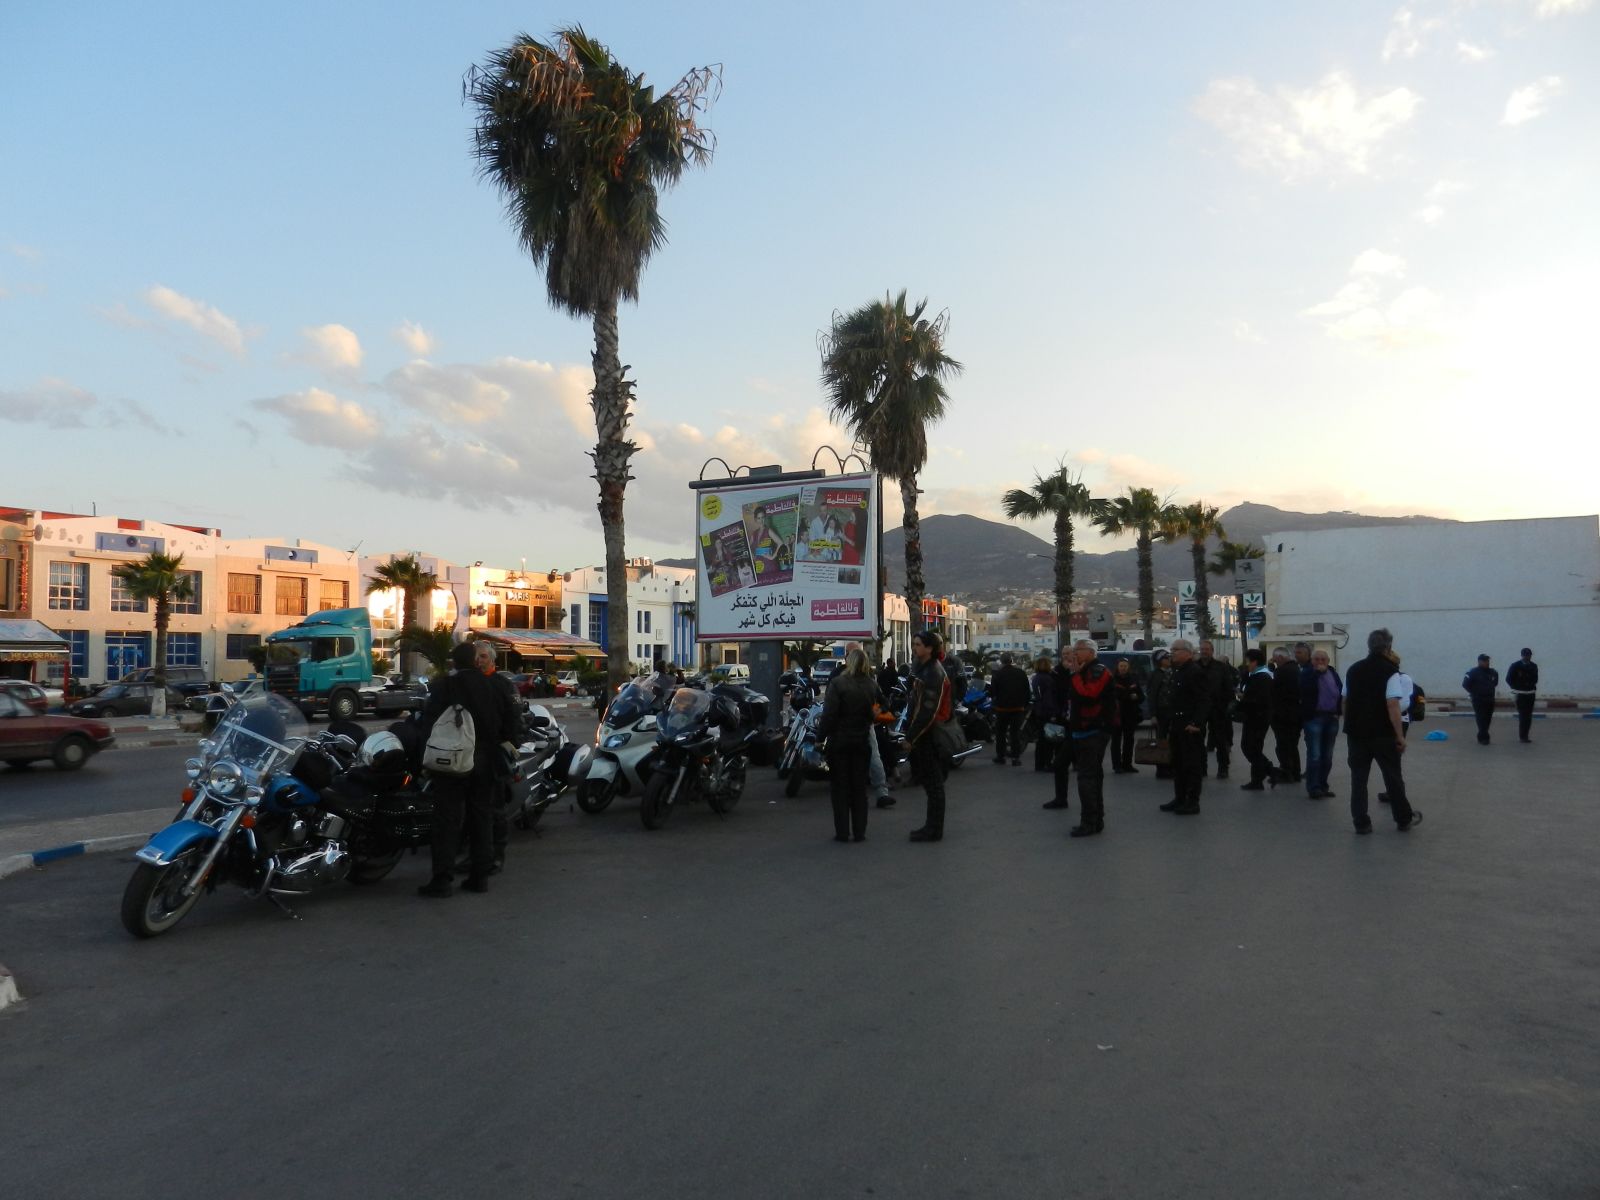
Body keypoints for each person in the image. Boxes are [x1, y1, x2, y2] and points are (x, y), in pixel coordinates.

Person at [418, 641, 518, 898]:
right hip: (484, 761)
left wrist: (424, 758)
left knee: (447, 820)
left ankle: (442, 880)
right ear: (474, 661)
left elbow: (429, 724)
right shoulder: (495, 685)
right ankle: (479, 877)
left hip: (450, 763)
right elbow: (511, 721)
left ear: (454, 661)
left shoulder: (444, 686)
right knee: (481, 818)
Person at [1344, 629, 1421, 834]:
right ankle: (1403, 818)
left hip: (1357, 734)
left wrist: (1350, 723)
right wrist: (1400, 736)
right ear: (1388, 647)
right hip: (1383, 734)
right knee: (1392, 776)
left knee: (1358, 779)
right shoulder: (1390, 671)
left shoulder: (1353, 669)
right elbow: (1392, 704)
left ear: (1369, 646)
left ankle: (1361, 822)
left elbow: (1345, 700)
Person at [472, 639, 524, 875]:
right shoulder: (468, 683)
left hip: (494, 754)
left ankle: (497, 856)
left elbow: (514, 717)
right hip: (471, 753)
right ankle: (477, 855)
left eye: (483, 656)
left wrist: (508, 745)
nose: (479, 661)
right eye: (476, 657)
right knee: (474, 810)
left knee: (495, 808)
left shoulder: (503, 685)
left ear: (493, 660)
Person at [815, 648, 878, 842]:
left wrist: (820, 737)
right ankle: (860, 832)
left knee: (840, 788)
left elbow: (829, 714)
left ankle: (842, 832)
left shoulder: (838, 683)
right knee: (859, 788)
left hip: (839, 741)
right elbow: (883, 705)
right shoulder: (871, 684)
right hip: (861, 740)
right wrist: (870, 717)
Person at [1062, 641, 1117, 838]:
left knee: (1087, 777)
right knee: (1092, 776)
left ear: (1091, 652)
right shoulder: (1085, 672)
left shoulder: (1098, 671)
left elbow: (1089, 695)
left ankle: (1089, 822)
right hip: (1083, 730)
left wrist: (1075, 675)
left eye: (1078, 650)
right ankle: (1096, 819)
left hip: (1093, 731)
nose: (1074, 654)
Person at [903, 630, 951, 842]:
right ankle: (932, 827)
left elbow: (927, 711)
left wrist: (911, 737)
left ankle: (933, 830)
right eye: (914, 644)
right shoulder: (924, 669)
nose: (915, 648)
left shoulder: (933, 672)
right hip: (926, 733)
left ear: (930, 648)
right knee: (932, 784)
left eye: (918, 644)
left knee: (934, 784)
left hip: (930, 734)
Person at [1159, 639, 1211, 815]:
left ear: (1188, 652)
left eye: (1176, 649)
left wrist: (1197, 723)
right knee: (1178, 763)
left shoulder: (1195, 672)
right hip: (1177, 723)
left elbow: (1203, 700)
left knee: (1191, 765)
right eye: (1172, 649)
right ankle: (1180, 797)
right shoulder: (1178, 671)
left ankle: (1192, 801)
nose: (1172, 653)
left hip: (1189, 725)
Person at [845, 640, 892, 806]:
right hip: (850, 726)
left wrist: (878, 711)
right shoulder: (841, 678)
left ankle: (880, 792)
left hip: (859, 726)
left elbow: (884, 702)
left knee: (873, 757)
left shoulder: (867, 681)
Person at [1301, 649, 1343, 800]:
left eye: (1323, 659)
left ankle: (1323, 785)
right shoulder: (1307, 673)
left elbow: (1340, 691)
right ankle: (1314, 787)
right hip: (1315, 718)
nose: (1320, 662)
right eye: (1316, 659)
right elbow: (1304, 689)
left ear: (1328, 661)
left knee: (1327, 755)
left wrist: (1339, 712)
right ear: (1311, 661)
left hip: (1331, 717)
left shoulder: (1333, 673)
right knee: (1315, 754)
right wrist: (1317, 673)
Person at [1377, 652, 1415, 805]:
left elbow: (1404, 703)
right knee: (1388, 758)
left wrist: (1388, 711)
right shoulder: (1384, 677)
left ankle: (1396, 792)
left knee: (1393, 758)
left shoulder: (1403, 679)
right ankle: (1392, 790)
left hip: (1399, 721)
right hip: (1385, 720)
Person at [1042, 648, 1077, 810]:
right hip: (1063, 717)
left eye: (1069, 653)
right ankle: (1061, 798)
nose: (1066, 656)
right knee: (1060, 759)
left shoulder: (1078, 672)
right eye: (1064, 654)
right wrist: (1054, 713)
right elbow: (1052, 694)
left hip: (1079, 722)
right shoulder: (1056, 673)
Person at [1236, 648, 1276, 790]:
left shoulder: (1262, 677)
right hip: (1255, 717)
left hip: (1257, 718)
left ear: (1254, 662)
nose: (1246, 664)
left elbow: (1259, 699)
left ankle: (1268, 772)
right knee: (1253, 748)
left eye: (1247, 661)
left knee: (1250, 747)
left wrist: (1243, 699)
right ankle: (1259, 778)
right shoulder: (1255, 676)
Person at [1197, 641, 1237, 779]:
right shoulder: (1194, 666)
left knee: (1221, 740)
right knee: (1198, 740)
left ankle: (1223, 768)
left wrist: (1225, 705)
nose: (1204, 651)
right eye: (1202, 649)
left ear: (1212, 651)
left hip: (1217, 708)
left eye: (1207, 649)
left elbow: (1228, 687)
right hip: (1199, 709)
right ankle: (1201, 768)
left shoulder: (1221, 667)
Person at [987, 652, 1031, 767]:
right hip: (1017, 709)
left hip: (1002, 710)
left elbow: (992, 692)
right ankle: (1015, 758)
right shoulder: (1021, 673)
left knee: (1000, 733)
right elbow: (1027, 691)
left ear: (1001, 662)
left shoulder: (997, 674)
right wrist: (1024, 705)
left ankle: (1000, 756)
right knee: (1015, 734)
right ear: (1011, 661)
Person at [1269, 647, 1302, 783]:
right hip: (1296, 713)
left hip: (1282, 715)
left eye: (1275, 659)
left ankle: (1286, 772)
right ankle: (1295, 772)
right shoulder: (1297, 670)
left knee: (1283, 745)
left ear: (1281, 657)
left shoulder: (1282, 671)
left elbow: (1274, 691)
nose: (1275, 662)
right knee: (1292, 745)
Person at [1110, 658, 1144, 774]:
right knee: (1116, 741)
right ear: (1117, 667)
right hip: (1117, 715)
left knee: (1129, 740)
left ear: (1128, 667)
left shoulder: (1133, 679)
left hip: (1131, 714)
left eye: (1125, 666)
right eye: (1121, 666)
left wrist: (1136, 697)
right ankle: (1117, 765)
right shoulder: (1112, 680)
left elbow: (1141, 696)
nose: (1123, 668)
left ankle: (1127, 764)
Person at [1147, 650, 1174, 780]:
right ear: (1160, 661)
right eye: (1166, 658)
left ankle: (1170, 766)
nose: (1169, 659)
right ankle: (1161, 768)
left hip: (1171, 711)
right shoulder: (1156, 675)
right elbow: (1152, 695)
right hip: (1161, 712)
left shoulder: (1172, 672)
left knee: (1172, 740)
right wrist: (1153, 714)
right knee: (1161, 740)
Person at [1462, 654, 1499, 745]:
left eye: (1487, 660)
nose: (1487, 662)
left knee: (1488, 719)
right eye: (1485, 661)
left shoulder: (1493, 672)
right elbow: (1465, 684)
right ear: (1479, 662)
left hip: (1490, 699)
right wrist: (1475, 692)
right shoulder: (1473, 672)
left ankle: (1482, 735)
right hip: (1478, 699)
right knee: (1481, 718)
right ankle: (1484, 738)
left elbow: (1495, 683)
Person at [1030, 656, 1057, 773]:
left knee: (1040, 739)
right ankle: (1047, 763)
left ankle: (1039, 764)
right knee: (1048, 739)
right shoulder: (1048, 679)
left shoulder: (1035, 678)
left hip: (1038, 710)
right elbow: (1049, 697)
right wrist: (1053, 712)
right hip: (1047, 711)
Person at [1507, 648, 1538, 743]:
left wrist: (1530, 685)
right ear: (1522, 655)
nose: (1527, 657)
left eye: (1529, 655)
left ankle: (1526, 735)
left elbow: (1535, 679)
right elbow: (1508, 679)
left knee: (1528, 716)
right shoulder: (1515, 666)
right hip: (1520, 694)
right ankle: (1523, 736)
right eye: (1525, 655)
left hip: (1530, 693)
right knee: (1523, 715)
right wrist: (1516, 687)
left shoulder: (1534, 666)